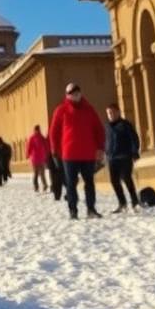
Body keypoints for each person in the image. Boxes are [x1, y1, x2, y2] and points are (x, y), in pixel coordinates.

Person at [49, 82, 106, 220]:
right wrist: (54, 150)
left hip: (87, 153)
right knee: (71, 184)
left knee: (89, 182)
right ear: (67, 95)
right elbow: (54, 132)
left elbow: (99, 130)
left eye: (78, 92)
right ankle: (73, 210)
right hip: (69, 154)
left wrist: (100, 148)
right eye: (73, 93)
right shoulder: (61, 110)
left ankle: (91, 209)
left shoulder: (89, 110)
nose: (76, 95)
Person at [105, 103, 141, 212]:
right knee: (114, 181)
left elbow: (134, 139)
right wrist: (106, 152)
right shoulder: (107, 127)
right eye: (108, 113)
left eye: (112, 112)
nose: (110, 115)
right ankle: (122, 203)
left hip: (124, 156)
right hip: (112, 158)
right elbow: (105, 141)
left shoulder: (125, 125)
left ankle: (134, 202)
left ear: (118, 112)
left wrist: (134, 152)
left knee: (126, 178)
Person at [26, 124, 51, 193]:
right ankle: (42, 185)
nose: (38, 131)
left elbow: (29, 147)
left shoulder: (34, 138)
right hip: (39, 158)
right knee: (40, 173)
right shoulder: (41, 137)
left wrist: (27, 154)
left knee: (37, 173)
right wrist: (47, 154)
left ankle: (39, 186)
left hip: (37, 158)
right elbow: (46, 147)